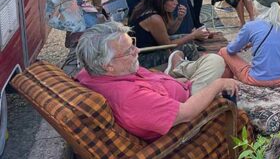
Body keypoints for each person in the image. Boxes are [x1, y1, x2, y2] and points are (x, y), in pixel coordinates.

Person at [75, 21, 233, 141]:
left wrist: (176, 82)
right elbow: (187, 113)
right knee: (216, 61)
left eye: (133, 44)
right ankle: (179, 68)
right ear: (108, 65)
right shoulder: (131, 99)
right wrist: (219, 84)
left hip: (169, 86)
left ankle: (177, 70)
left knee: (211, 61)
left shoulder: (91, 73)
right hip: (188, 104)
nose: (136, 51)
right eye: (129, 50)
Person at [218, 0, 280, 87]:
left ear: (258, 6)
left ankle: (227, 88)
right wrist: (253, 42)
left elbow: (231, 50)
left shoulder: (250, 26)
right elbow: (272, 40)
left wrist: (243, 44)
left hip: (259, 79)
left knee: (223, 51)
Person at [129, 0, 211, 68]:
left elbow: (169, 31)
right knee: (188, 47)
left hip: (151, 49)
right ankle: (195, 70)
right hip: (142, 58)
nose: (176, 2)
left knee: (185, 38)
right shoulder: (153, 18)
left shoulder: (148, 8)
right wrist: (193, 35)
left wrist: (180, 18)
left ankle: (189, 66)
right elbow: (167, 45)